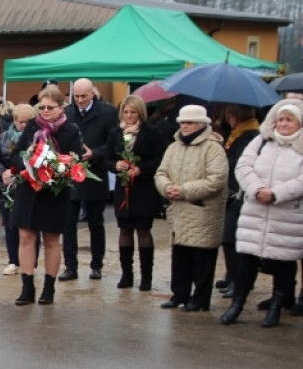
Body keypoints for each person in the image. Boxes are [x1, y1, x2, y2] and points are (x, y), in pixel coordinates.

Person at [219, 100, 303, 327]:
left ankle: (276, 307)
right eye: (281, 119)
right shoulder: (261, 141)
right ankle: (237, 305)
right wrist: (257, 189)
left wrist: (276, 193)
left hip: (287, 214)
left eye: (289, 120)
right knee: (247, 260)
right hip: (255, 211)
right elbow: (243, 167)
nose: (284, 124)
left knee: (284, 262)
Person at [5, 85, 84, 305]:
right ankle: (27, 287)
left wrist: (53, 168)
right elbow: (15, 156)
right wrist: (29, 164)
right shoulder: (31, 126)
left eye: (50, 107)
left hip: (54, 193)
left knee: (51, 239)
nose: (45, 111)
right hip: (29, 190)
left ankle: (48, 288)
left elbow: (76, 162)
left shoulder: (71, 130)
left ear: (61, 107)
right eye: (42, 107)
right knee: (26, 237)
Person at [154, 105, 228, 312]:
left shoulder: (213, 147)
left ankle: (200, 299)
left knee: (202, 258)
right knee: (180, 255)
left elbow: (216, 180)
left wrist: (185, 190)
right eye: (182, 123)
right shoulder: (174, 147)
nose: (184, 126)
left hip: (202, 211)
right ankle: (180, 294)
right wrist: (167, 188)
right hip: (179, 211)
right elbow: (161, 173)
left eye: (189, 123)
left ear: (202, 124)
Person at [104, 95, 167, 291]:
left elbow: (160, 158)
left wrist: (141, 169)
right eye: (126, 111)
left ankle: (146, 276)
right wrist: (116, 165)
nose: (129, 115)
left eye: (133, 112)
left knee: (143, 230)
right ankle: (126, 274)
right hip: (123, 189)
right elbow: (106, 158)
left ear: (140, 113)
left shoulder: (151, 132)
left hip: (143, 188)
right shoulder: (115, 133)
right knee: (124, 230)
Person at [60, 78, 117, 281]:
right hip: (71, 175)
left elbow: (113, 143)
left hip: (95, 173)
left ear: (92, 94)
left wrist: (95, 153)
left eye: (84, 96)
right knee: (68, 223)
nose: (80, 100)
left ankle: (97, 265)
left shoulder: (108, 112)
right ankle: (70, 266)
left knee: (96, 223)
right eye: (76, 96)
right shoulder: (67, 113)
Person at [215, 105, 260, 298]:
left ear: (235, 117)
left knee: (231, 239)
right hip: (232, 191)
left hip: (239, 192)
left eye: (228, 115)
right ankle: (231, 275)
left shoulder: (249, 136)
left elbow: (238, 163)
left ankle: (238, 280)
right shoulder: (236, 135)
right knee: (229, 238)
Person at [0, 103, 36, 275]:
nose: (23, 125)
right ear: (14, 121)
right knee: (10, 225)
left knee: (30, 226)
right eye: (20, 122)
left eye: (27, 122)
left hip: (27, 185)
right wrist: (2, 173)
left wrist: (17, 172)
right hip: (7, 186)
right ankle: (13, 261)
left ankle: (32, 261)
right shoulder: (4, 136)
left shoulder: (36, 137)